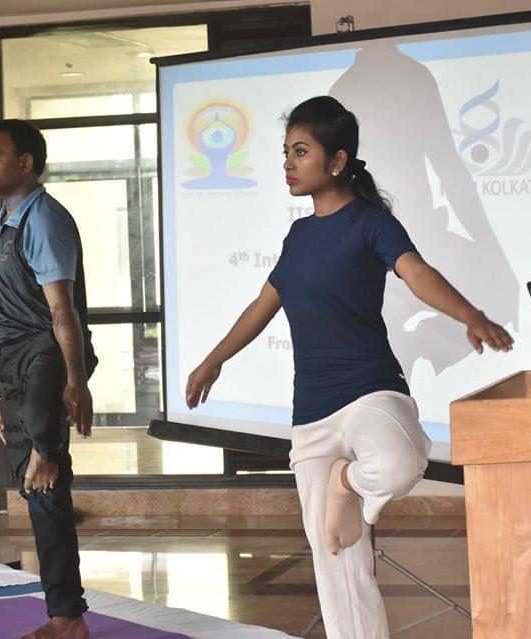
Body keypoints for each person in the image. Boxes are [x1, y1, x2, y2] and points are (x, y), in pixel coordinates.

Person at [185, 96, 513, 638]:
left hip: (369, 391)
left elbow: (417, 272)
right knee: (337, 566)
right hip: (312, 413)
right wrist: (212, 360)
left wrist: (470, 315)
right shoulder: (299, 236)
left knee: (400, 463)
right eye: (286, 152)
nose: (288, 163)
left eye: (300, 151)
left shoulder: (370, 223)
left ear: (336, 161)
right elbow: (263, 306)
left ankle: (345, 482)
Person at [0, 119, 97, 639]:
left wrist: (76, 380)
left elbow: (61, 311)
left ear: (25, 163)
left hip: (46, 349)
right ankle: (65, 616)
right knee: (36, 491)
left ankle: (67, 618)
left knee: (44, 471)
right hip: (13, 356)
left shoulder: (44, 219)